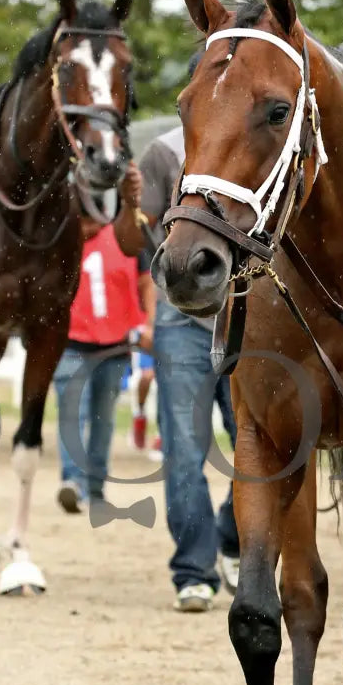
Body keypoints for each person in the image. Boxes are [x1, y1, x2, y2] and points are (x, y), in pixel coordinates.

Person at [139, 57, 240, 614]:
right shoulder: (161, 152)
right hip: (180, 319)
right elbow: (142, 234)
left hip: (245, 316)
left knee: (254, 446)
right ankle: (193, 568)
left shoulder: (257, 144)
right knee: (183, 448)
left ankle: (229, 533)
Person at [54, 163, 152, 513]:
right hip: (70, 344)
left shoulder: (124, 237)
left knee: (102, 419)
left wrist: (148, 323)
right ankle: (73, 482)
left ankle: (94, 488)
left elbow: (146, 281)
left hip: (115, 344)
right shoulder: (59, 240)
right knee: (71, 414)